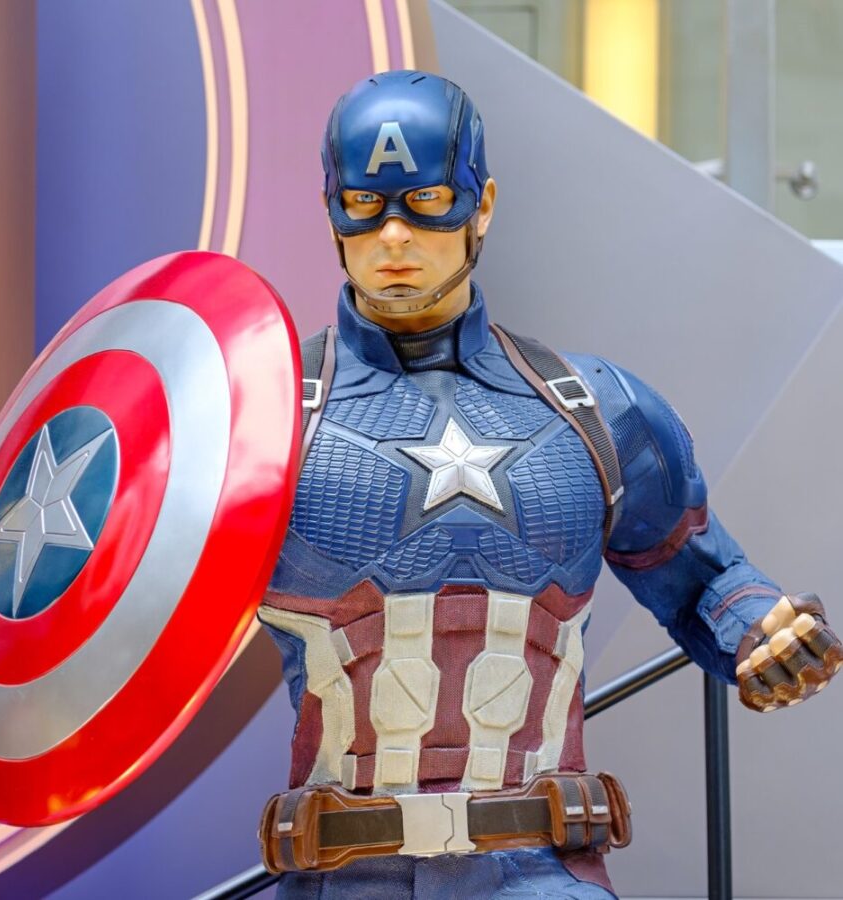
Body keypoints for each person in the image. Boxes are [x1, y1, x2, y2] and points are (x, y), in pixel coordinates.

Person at [257, 70, 842, 899]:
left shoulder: (595, 409)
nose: (393, 237)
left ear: (482, 205)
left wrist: (766, 634)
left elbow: (706, 581)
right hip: (342, 878)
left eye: (426, 202)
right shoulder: (263, 422)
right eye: (364, 205)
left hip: (539, 871)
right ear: (331, 211)